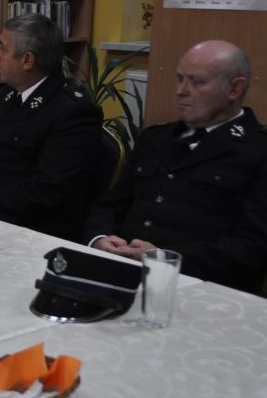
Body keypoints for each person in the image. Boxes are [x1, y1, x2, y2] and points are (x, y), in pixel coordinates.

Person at [85, 40, 267, 294]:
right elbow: (110, 205)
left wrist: (164, 257)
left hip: (199, 287)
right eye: (180, 79)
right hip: (121, 272)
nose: (181, 91)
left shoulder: (257, 150)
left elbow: (253, 248)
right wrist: (100, 238)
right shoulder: (156, 138)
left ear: (235, 89)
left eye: (197, 82)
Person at [0, 13, 102, 240]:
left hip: (26, 230)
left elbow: (46, 190)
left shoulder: (72, 112)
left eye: (2, 48)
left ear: (27, 60)